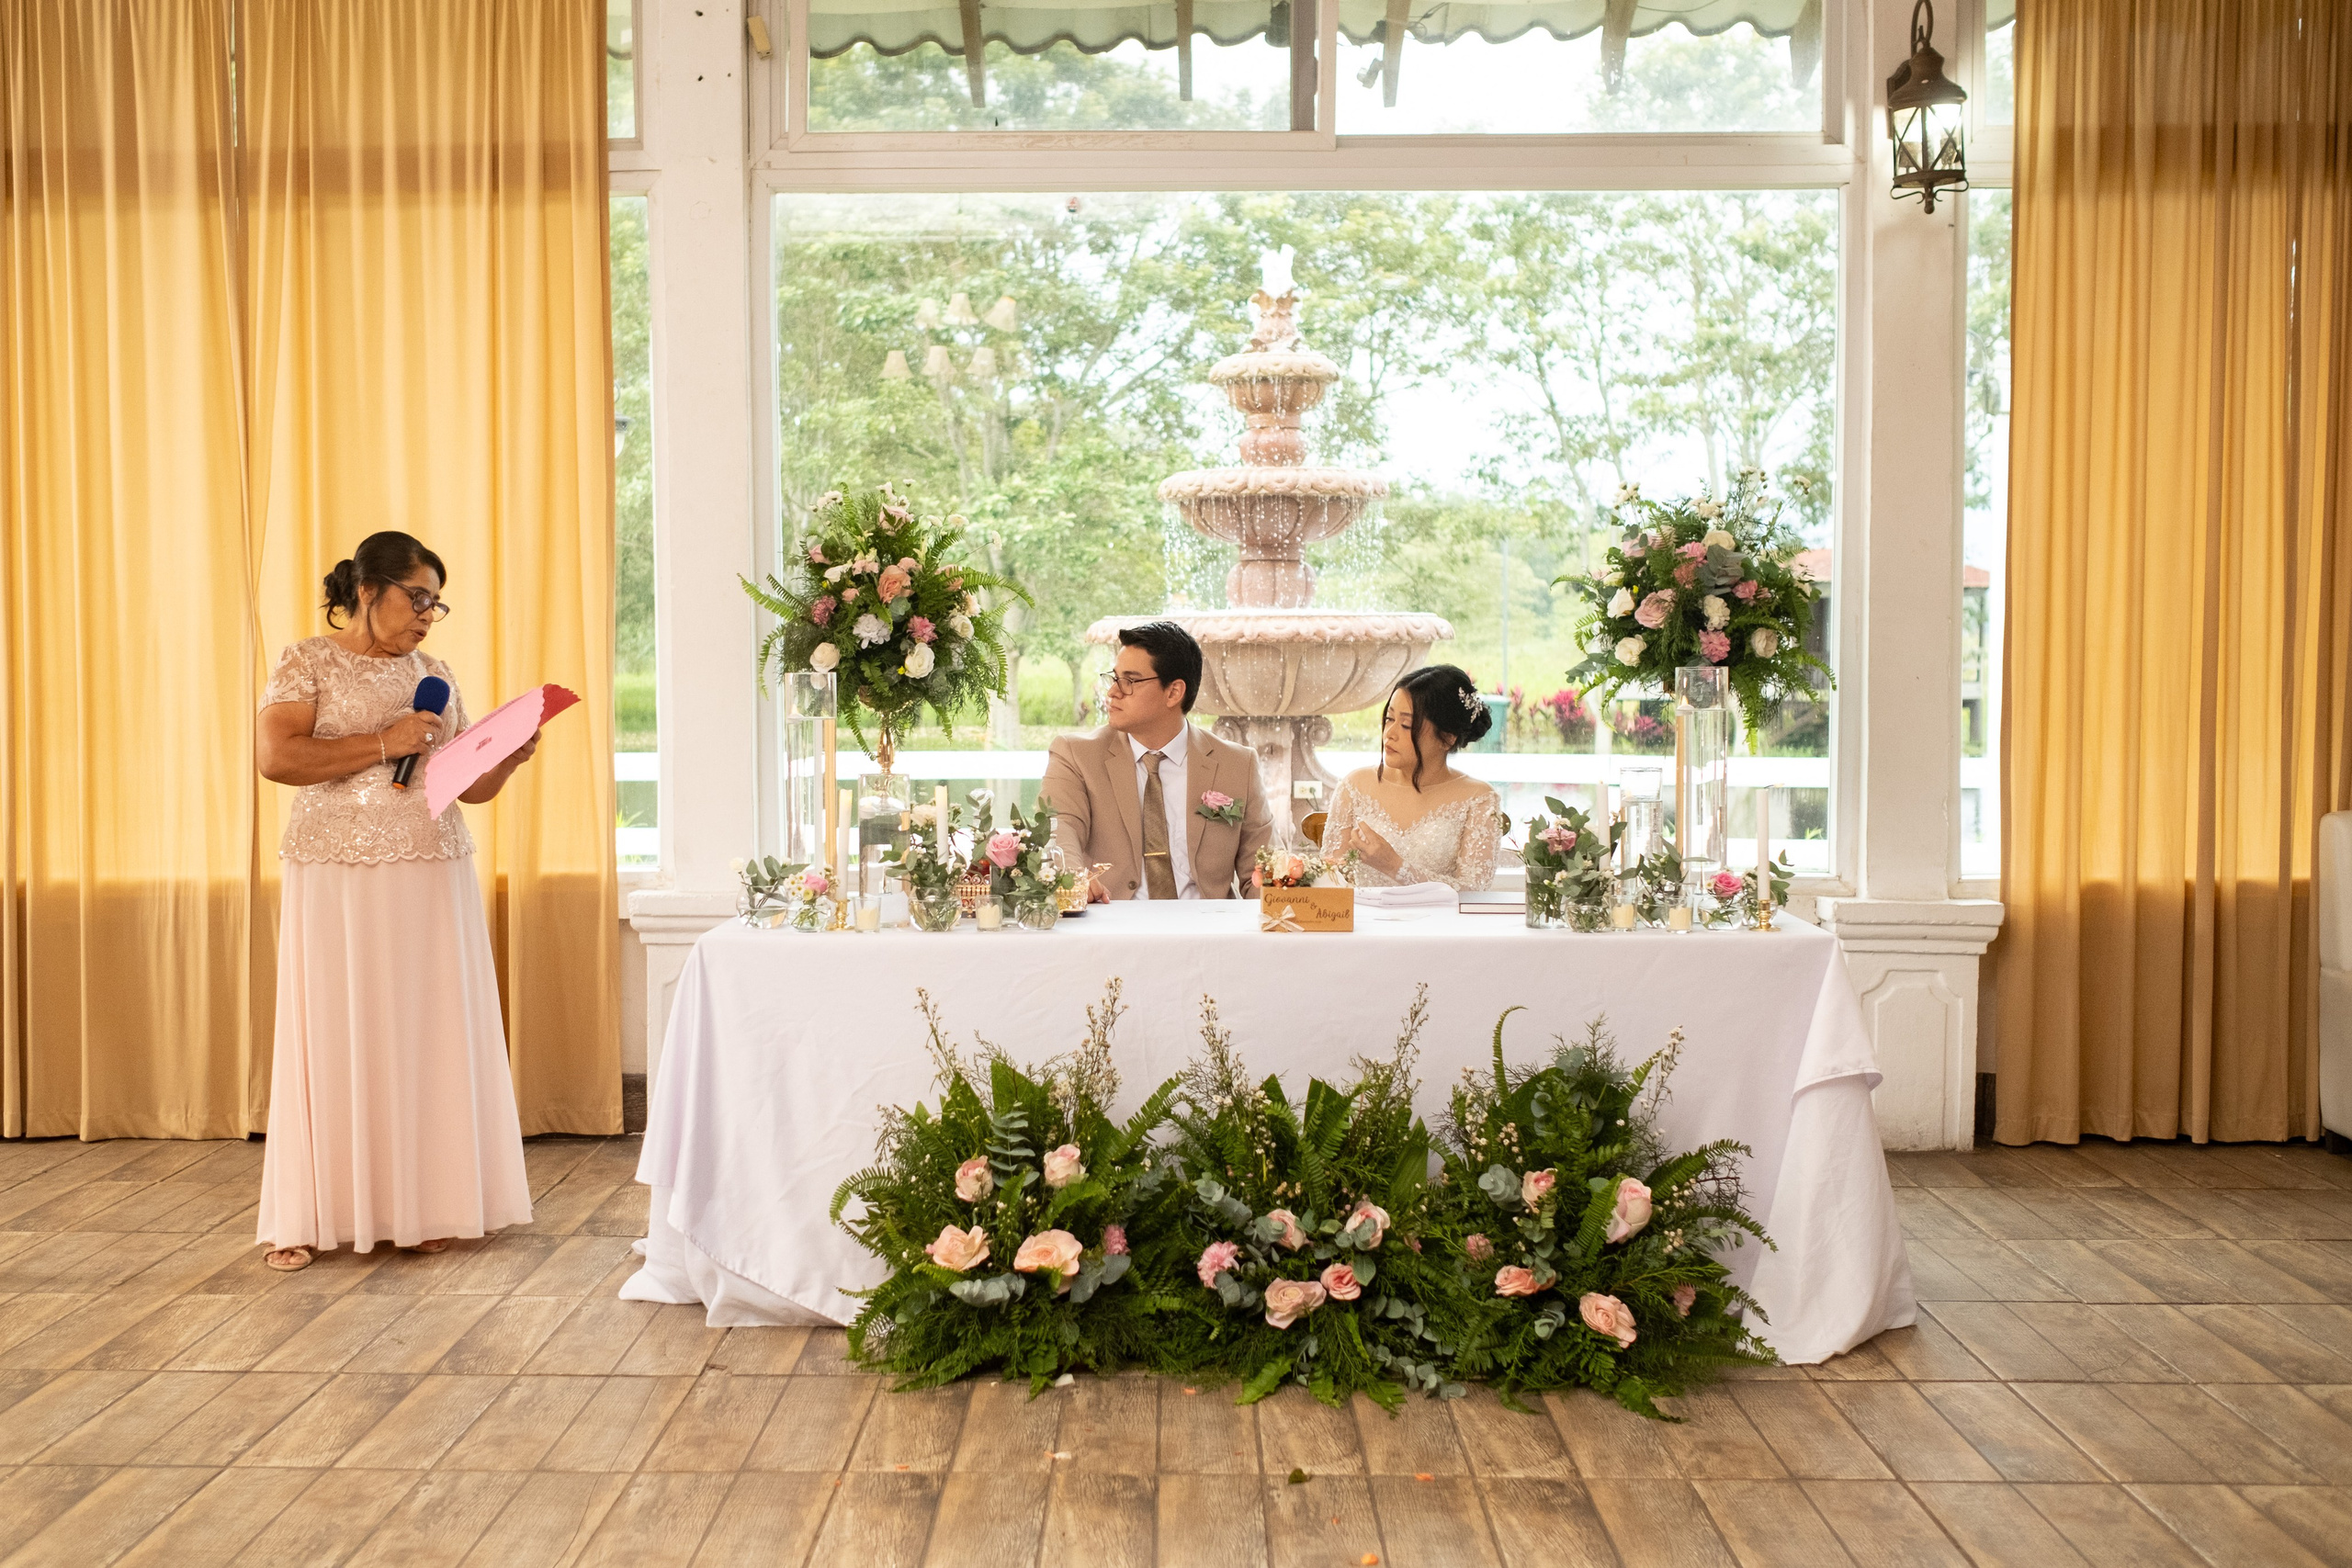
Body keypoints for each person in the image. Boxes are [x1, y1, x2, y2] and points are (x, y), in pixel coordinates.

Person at [253, 532, 538, 1271]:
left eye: (435, 603)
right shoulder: (306, 660)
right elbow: (278, 757)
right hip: (336, 871)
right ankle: (305, 1212)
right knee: (333, 1024)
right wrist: (386, 740)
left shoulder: (434, 673)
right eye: (417, 598)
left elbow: (464, 783)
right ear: (368, 588)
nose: (426, 616)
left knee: (420, 1030)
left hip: (431, 866)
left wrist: (503, 757)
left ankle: (423, 1203)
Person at [1044, 620, 1273, 900]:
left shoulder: (1237, 765)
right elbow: (1058, 827)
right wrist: (1071, 877)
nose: (1113, 692)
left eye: (1130, 681)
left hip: (1209, 932)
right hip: (1113, 929)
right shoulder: (1075, 756)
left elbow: (1261, 874)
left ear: (1174, 692)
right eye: (1114, 678)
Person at [1321, 664, 1503, 891]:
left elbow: (1474, 893)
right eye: (1389, 719)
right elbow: (1329, 881)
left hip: (1441, 926)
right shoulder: (1355, 786)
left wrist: (1396, 867)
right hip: (1365, 924)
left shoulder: (1479, 798)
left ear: (1447, 738)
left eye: (1406, 725)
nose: (1390, 733)